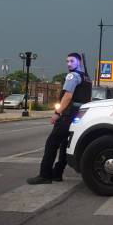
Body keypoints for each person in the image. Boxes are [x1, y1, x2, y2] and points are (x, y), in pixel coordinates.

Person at [27, 53, 92, 185]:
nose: (68, 64)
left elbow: (67, 96)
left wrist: (57, 112)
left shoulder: (72, 76)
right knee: (64, 146)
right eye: (67, 61)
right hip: (80, 115)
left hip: (68, 114)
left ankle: (45, 175)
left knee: (51, 144)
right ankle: (57, 174)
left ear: (79, 62)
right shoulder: (87, 78)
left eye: (72, 61)